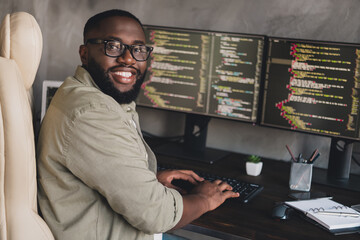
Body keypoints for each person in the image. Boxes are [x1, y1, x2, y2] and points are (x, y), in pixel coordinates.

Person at [37, 9, 239, 240]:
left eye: (138, 49)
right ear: (84, 53)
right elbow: (157, 216)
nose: (129, 58)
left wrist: (148, 179)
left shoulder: (91, 96)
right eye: (112, 46)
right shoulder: (93, 113)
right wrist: (204, 199)